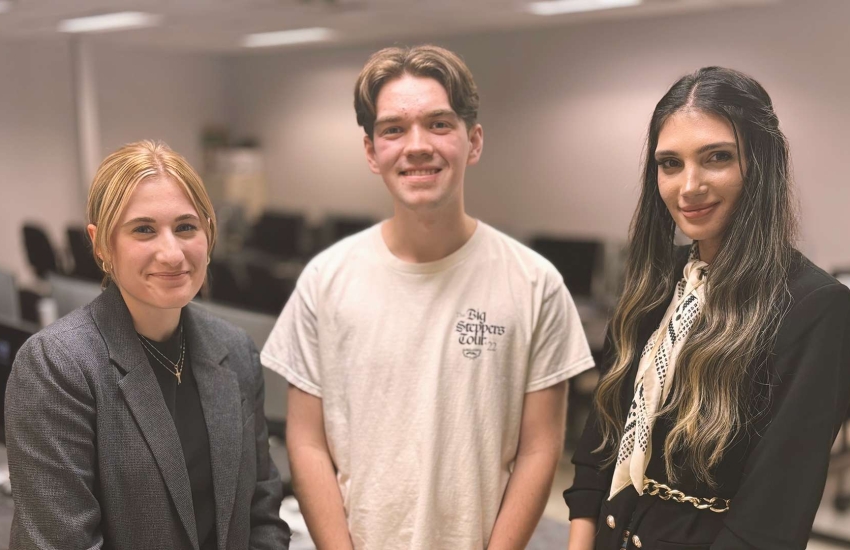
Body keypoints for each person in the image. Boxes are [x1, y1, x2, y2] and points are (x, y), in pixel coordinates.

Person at [261, 45, 595, 549]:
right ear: (372, 151)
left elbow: (539, 449)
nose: (417, 146)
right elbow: (307, 443)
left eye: (439, 124)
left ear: (473, 141)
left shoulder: (534, 284)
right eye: (394, 129)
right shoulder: (325, 280)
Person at [564, 66, 850, 550]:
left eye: (716, 157)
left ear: (761, 166)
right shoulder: (654, 283)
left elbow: (772, 520)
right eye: (670, 163)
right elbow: (601, 440)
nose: (688, 185)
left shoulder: (814, 308)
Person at [5, 140, 291, 550]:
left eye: (186, 227)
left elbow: (262, 516)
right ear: (102, 245)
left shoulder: (236, 350)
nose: (172, 253)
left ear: (209, 235)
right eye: (144, 230)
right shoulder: (58, 365)